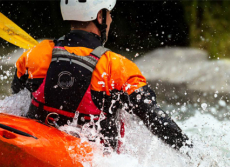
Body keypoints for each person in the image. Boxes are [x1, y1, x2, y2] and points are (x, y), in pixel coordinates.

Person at [11, 0, 191, 152]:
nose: (111, 19)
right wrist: (190, 151)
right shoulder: (116, 66)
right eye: (109, 13)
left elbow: (16, 97)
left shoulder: (35, 55)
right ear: (99, 17)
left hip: (36, 145)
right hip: (93, 166)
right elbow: (154, 118)